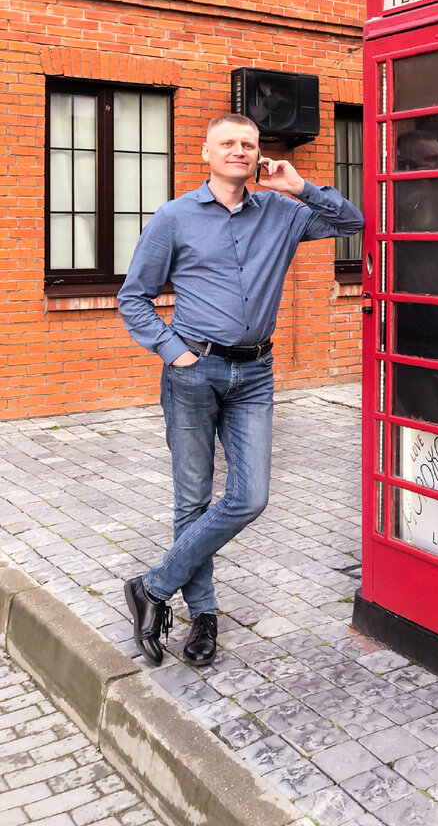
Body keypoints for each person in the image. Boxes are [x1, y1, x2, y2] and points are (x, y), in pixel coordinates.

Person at [118, 113, 364, 667]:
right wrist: (174, 352)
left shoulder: (282, 212)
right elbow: (133, 297)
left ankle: (152, 588)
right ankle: (203, 617)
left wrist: (298, 185)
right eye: (227, 143)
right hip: (194, 370)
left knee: (249, 497)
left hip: (254, 375)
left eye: (248, 145)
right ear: (206, 152)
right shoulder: (174, 217)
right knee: (193, 499)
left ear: (259, 155)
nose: (238, 151)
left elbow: (352, 221)